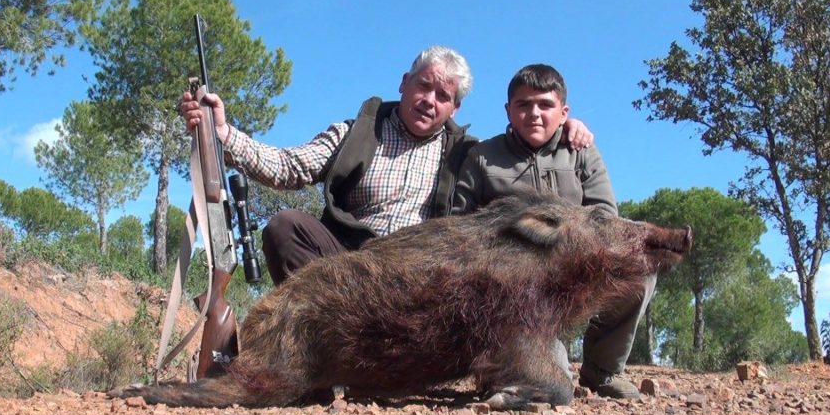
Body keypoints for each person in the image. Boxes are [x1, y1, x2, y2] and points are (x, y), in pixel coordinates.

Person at [179, 47, 594, 284]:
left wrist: (565, 129)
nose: (429, 100)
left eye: (443, 96)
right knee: (284, 227)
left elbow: (519, 161)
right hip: (343, 262)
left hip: (417, 274)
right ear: (404, 82)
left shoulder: (469, 152)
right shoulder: (356, 130)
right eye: (423, 85)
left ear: (455, 107)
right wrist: (225, 134)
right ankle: (314, 347)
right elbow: (289, 167)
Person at [453, 64, 655, 400]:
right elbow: (460, 226)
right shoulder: (482, 157)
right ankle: (509, 367)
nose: (534, 113)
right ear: (508, 110)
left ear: (563, 112)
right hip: (513, 288)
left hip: (574, 272)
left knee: (641, 265)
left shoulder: (582, 151)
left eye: (545, 105)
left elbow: (606, 219)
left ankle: (602, 372)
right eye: (523, 104)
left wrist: (562, 243)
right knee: (551, 385)